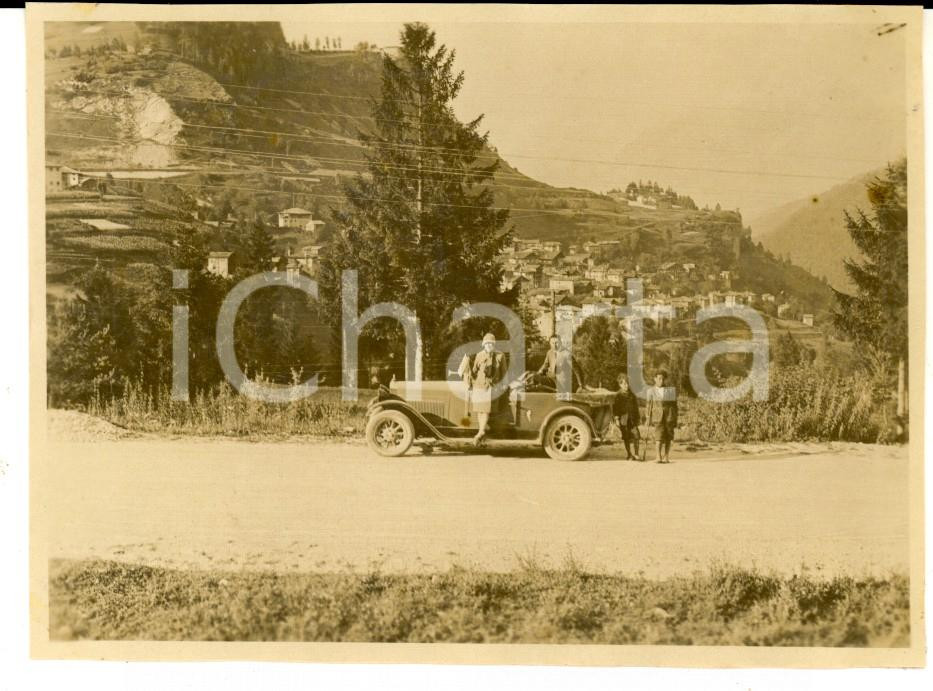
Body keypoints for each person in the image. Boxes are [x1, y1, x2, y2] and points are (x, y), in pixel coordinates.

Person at [471, 333, 506, 445]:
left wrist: (503, 386)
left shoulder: (500, 356)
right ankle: (481, 432)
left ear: (494, 344)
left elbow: (504, 373)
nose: (489, 345)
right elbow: (474, 370)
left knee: (485, 410)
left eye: (491, 343)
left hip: (491, 387)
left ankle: (481, 432)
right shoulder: (479, 355)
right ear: (484, 344)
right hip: (480, 385)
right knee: (480, 410)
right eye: (487, 343)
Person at [643, 369, 678, 463]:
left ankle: (666, 456)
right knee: (658, 437)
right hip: (657, 416)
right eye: (659, 378)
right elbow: (648, 405)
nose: (661, 381)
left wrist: (675, 419)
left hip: (669, 417)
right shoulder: (650, 391)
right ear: (655, 379)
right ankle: (658, 457)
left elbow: (674, 406)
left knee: (668, 437)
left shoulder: (670, 391)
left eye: (663, 379)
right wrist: (647, 417)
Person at [613, 373, 641, 460]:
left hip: (632, 419)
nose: (626, 385)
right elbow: (615, 408)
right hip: (623, 420)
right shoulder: (618, 395)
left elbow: (636, 408)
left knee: (636, 435)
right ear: (620, 384)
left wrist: (638, 418)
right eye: (624, 383)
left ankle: (636, 454)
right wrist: (617, 419)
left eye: (627, 383)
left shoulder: (632, 395)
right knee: (626, 438)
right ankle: (629, 454)